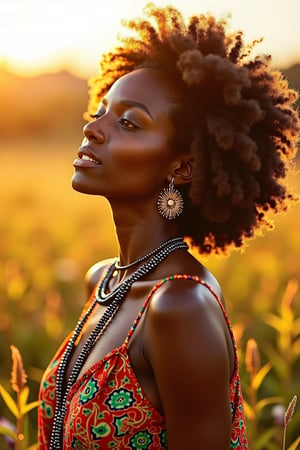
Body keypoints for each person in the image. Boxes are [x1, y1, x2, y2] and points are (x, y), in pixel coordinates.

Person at [37, 3, 299, 449]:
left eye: (128, 122)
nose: (93, 129)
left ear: (182, 166)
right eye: (100, 111)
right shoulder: (102, 281)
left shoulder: (180, 308)